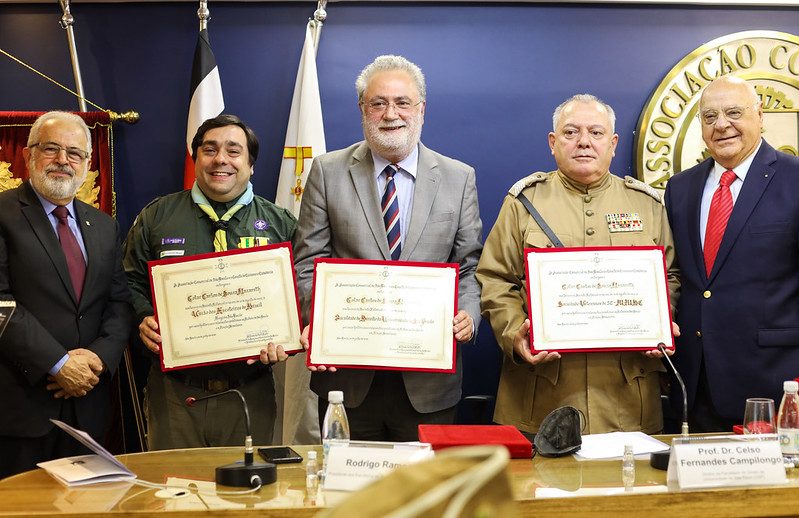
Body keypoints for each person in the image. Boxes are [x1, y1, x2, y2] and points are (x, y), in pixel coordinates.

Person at [292, 55, 483, 442]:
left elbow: (468, 266)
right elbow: (309, 261)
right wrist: (323, 320)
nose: (390, 114)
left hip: (428, 382)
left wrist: (469, 313)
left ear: (421, 110)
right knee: (348, 495)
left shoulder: (458, 178)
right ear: (362, 110)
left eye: (402, 103)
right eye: (377, 103)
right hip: (347, 379)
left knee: (423, 496)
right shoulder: (327, 172)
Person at [476, 94, 679, 435]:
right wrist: (515, 334)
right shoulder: (524, 202)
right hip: (542, 394)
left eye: (596, 133)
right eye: (571, 132)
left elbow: (670, 275)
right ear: (553, 143)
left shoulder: (648, 205)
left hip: (627, 399)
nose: (584, 141)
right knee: (538, 488)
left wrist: (660, 321)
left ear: (613, 144)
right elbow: (495, 278)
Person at [123, 114, 296, 449]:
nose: (221, 159)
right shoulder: (156, 217)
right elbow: (127, 281)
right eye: (210, 149)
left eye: (234, 151)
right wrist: (142, 317)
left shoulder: (280, 224)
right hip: (174, 391)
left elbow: (302, 290)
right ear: (196, 158)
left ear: (251, 164)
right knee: (176, 494)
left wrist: (289, 334)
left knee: (248, 494)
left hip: (251, 389)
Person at [0, 111, 132, 477]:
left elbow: (118, 303)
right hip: (21, 411)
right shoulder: (3, 214)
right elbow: (0, 303)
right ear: (28, 155)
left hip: (89, 407)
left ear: (88, 163)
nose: (63, 160)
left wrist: (97, 359)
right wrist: (58, 363)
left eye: (74, 153)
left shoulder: (104, 225)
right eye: (51, 149)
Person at [665, 75, 799, 432]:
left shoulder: (794, 179)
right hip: (695, 387)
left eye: (734, 112)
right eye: (709, 117)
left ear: (760, 114)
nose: (722, 125)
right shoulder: (680, 188)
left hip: (774, 387)